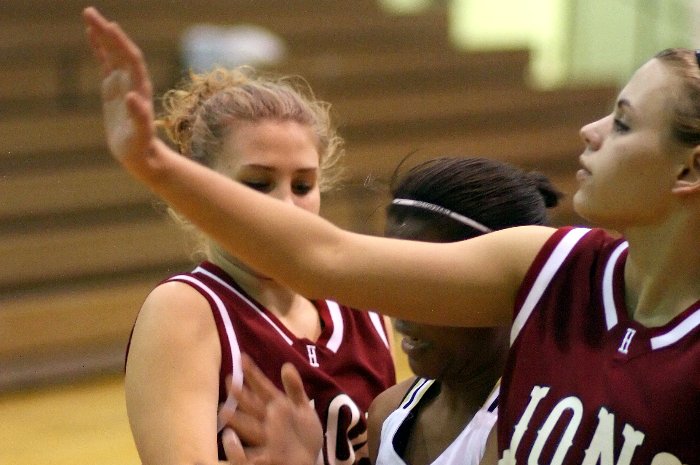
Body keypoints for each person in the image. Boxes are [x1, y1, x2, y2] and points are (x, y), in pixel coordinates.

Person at [84, 6, 700, 464]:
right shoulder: (556, 263)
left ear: (688, 169)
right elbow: (325, 255)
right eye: (256, 183)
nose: (591, 130)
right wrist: (154, 164)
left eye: (623, 123)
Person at [96, 16, 395, 465]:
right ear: (201, 187)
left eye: (303, 185)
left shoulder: (364, 305)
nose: (285, 207)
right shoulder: (185, 311)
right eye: (258, 184)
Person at [367, 156, 562, 465]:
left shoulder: (538, 431)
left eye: (427, 283)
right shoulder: (387, 413)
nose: (401, 309)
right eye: (396, 279)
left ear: (509, 284)